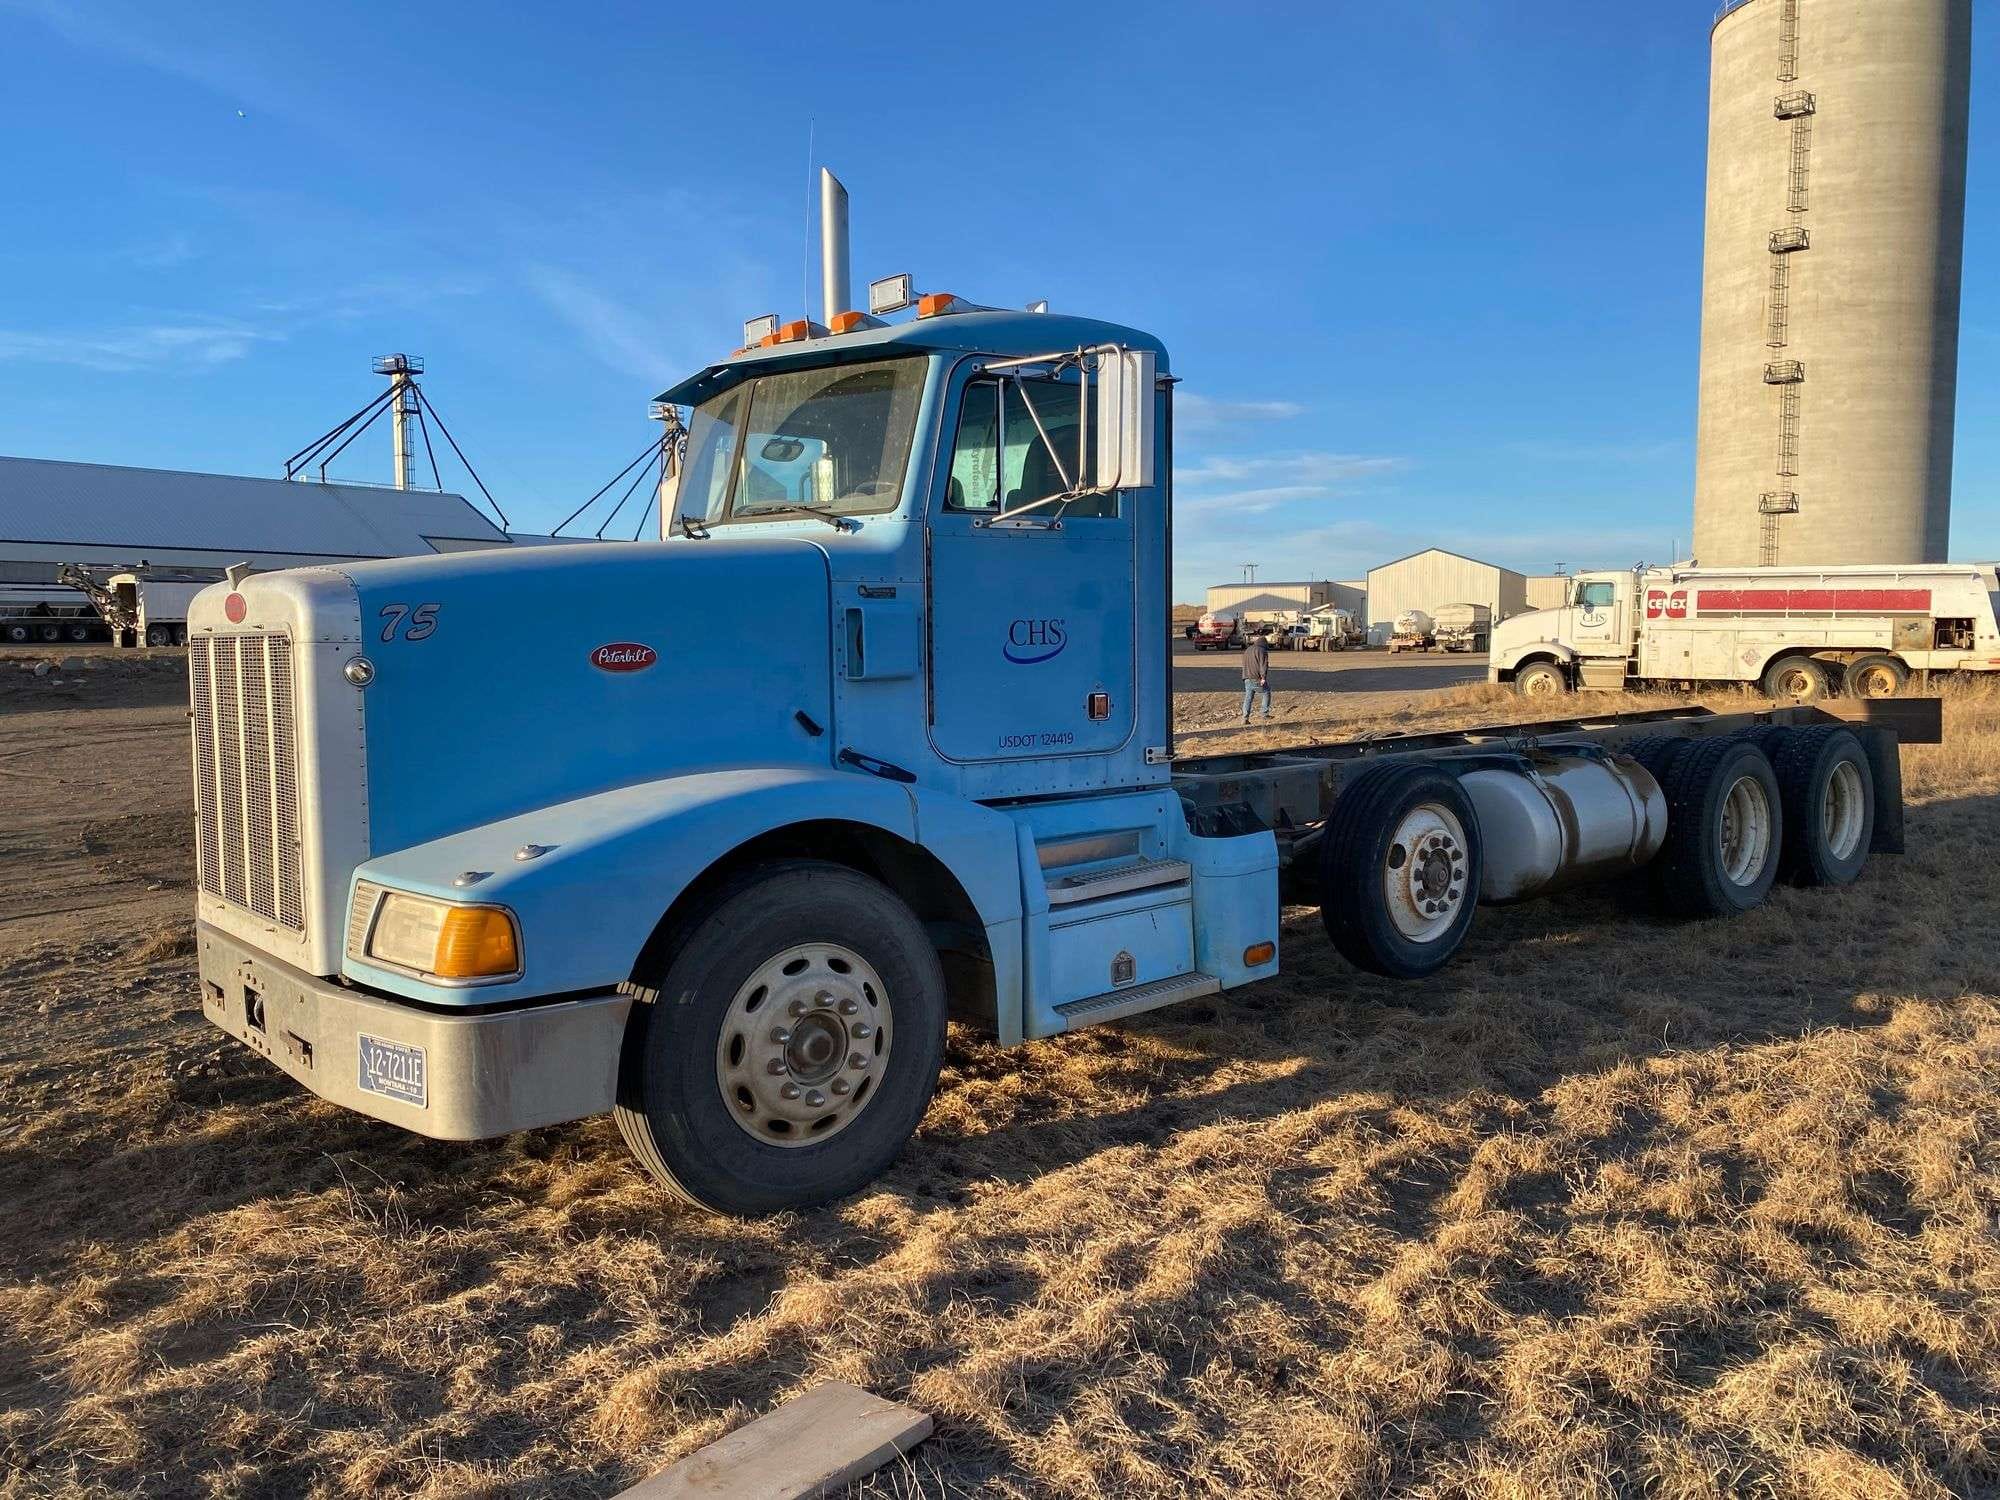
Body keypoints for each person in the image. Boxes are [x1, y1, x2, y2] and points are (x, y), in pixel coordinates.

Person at [1240, 628, 1274, 722]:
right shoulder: (1262, 651)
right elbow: (1263, 665)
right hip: (1256, 677)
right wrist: (1263, 677)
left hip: (1246, 677)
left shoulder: (1248, 650)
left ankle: (1245, 718)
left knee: (1248, 697)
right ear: (1264, 644)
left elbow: (1244, 664)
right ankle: (1264, 713)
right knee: (1266, 692)